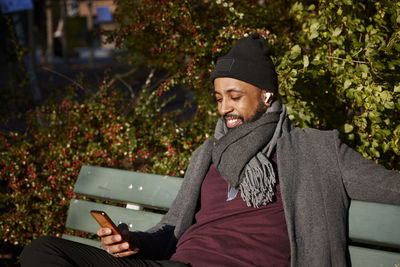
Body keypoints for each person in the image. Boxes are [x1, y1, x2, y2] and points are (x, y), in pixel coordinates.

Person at [20, 33, 400, 267]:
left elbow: (390, 187)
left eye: (235, 97)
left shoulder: (314, 150)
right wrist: (132, 241)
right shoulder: (209, 153)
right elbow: (169, 232)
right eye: (218, 98)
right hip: (180, 263)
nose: (223, 109)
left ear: (266, 95)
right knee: (43, 252)